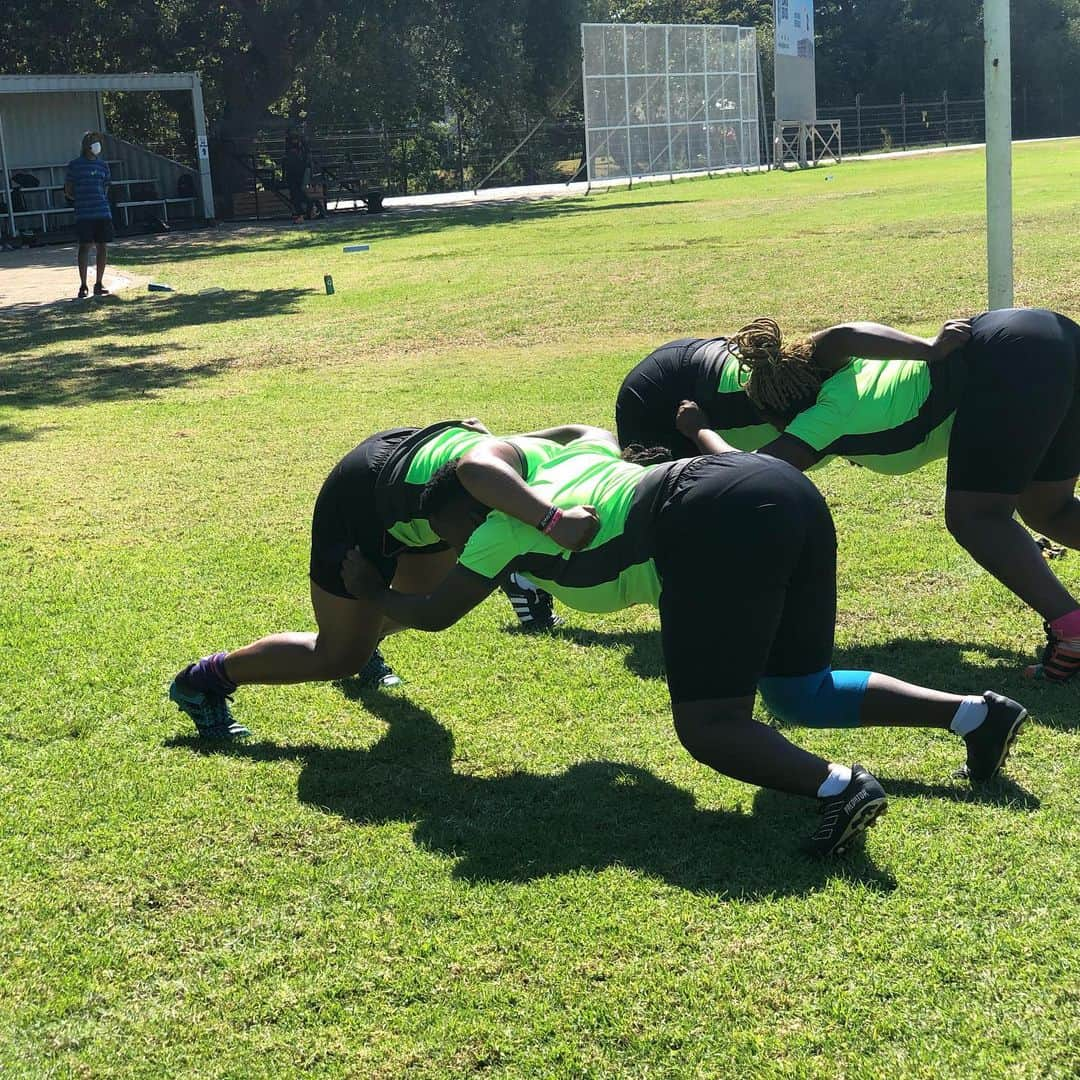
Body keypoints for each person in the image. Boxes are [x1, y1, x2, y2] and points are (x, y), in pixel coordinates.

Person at [339, 433, 1028, 857]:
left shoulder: (498, 527)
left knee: (709, 728)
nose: (455, 551)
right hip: (774, 484)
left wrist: (372, 590)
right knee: (798, 690)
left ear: (470, 512)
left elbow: (432, 613)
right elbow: (505, 451)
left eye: (450, 536)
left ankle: (840, 788)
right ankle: (976, 713)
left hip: (701, 516)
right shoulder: (568, 453)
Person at [666, 309, 1080, 682]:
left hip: (1009, 360)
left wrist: (698, 430)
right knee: (1048, 507)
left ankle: (1072, 631)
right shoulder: (828, 361)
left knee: (975, 517)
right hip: (1040, 330)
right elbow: (846, 332)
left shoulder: (824, 417)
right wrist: (929, 349)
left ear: (789, 412)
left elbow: (746, 473)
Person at [168, 420, 602, 739]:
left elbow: (576, 430)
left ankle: (365, 634)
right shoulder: (497, 491)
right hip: (361, 498)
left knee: (416, 601)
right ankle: (203, 680)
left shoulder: (545, 469)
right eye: (475, 536)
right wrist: (552, 521)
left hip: (416, 471)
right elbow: (475, 469)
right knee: (338, 656)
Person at [64, 132, 114, 299]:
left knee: (102, 246)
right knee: (85, 246)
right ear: (87, 145)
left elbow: (105, 187)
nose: (97, 145)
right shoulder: (75, 165)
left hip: (102, 211)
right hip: (84, 213)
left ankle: (99, 283)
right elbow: (69, 189)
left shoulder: (103, 166)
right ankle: (83, 284)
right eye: (94, 142)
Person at [283, 130, 315, 224]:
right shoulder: (291, 145)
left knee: (296, 193)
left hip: (299, 171)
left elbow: (305, 159)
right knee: (295, 193)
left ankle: (302, 213)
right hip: (294, 171)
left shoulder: (300, 146)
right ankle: (307, 208)